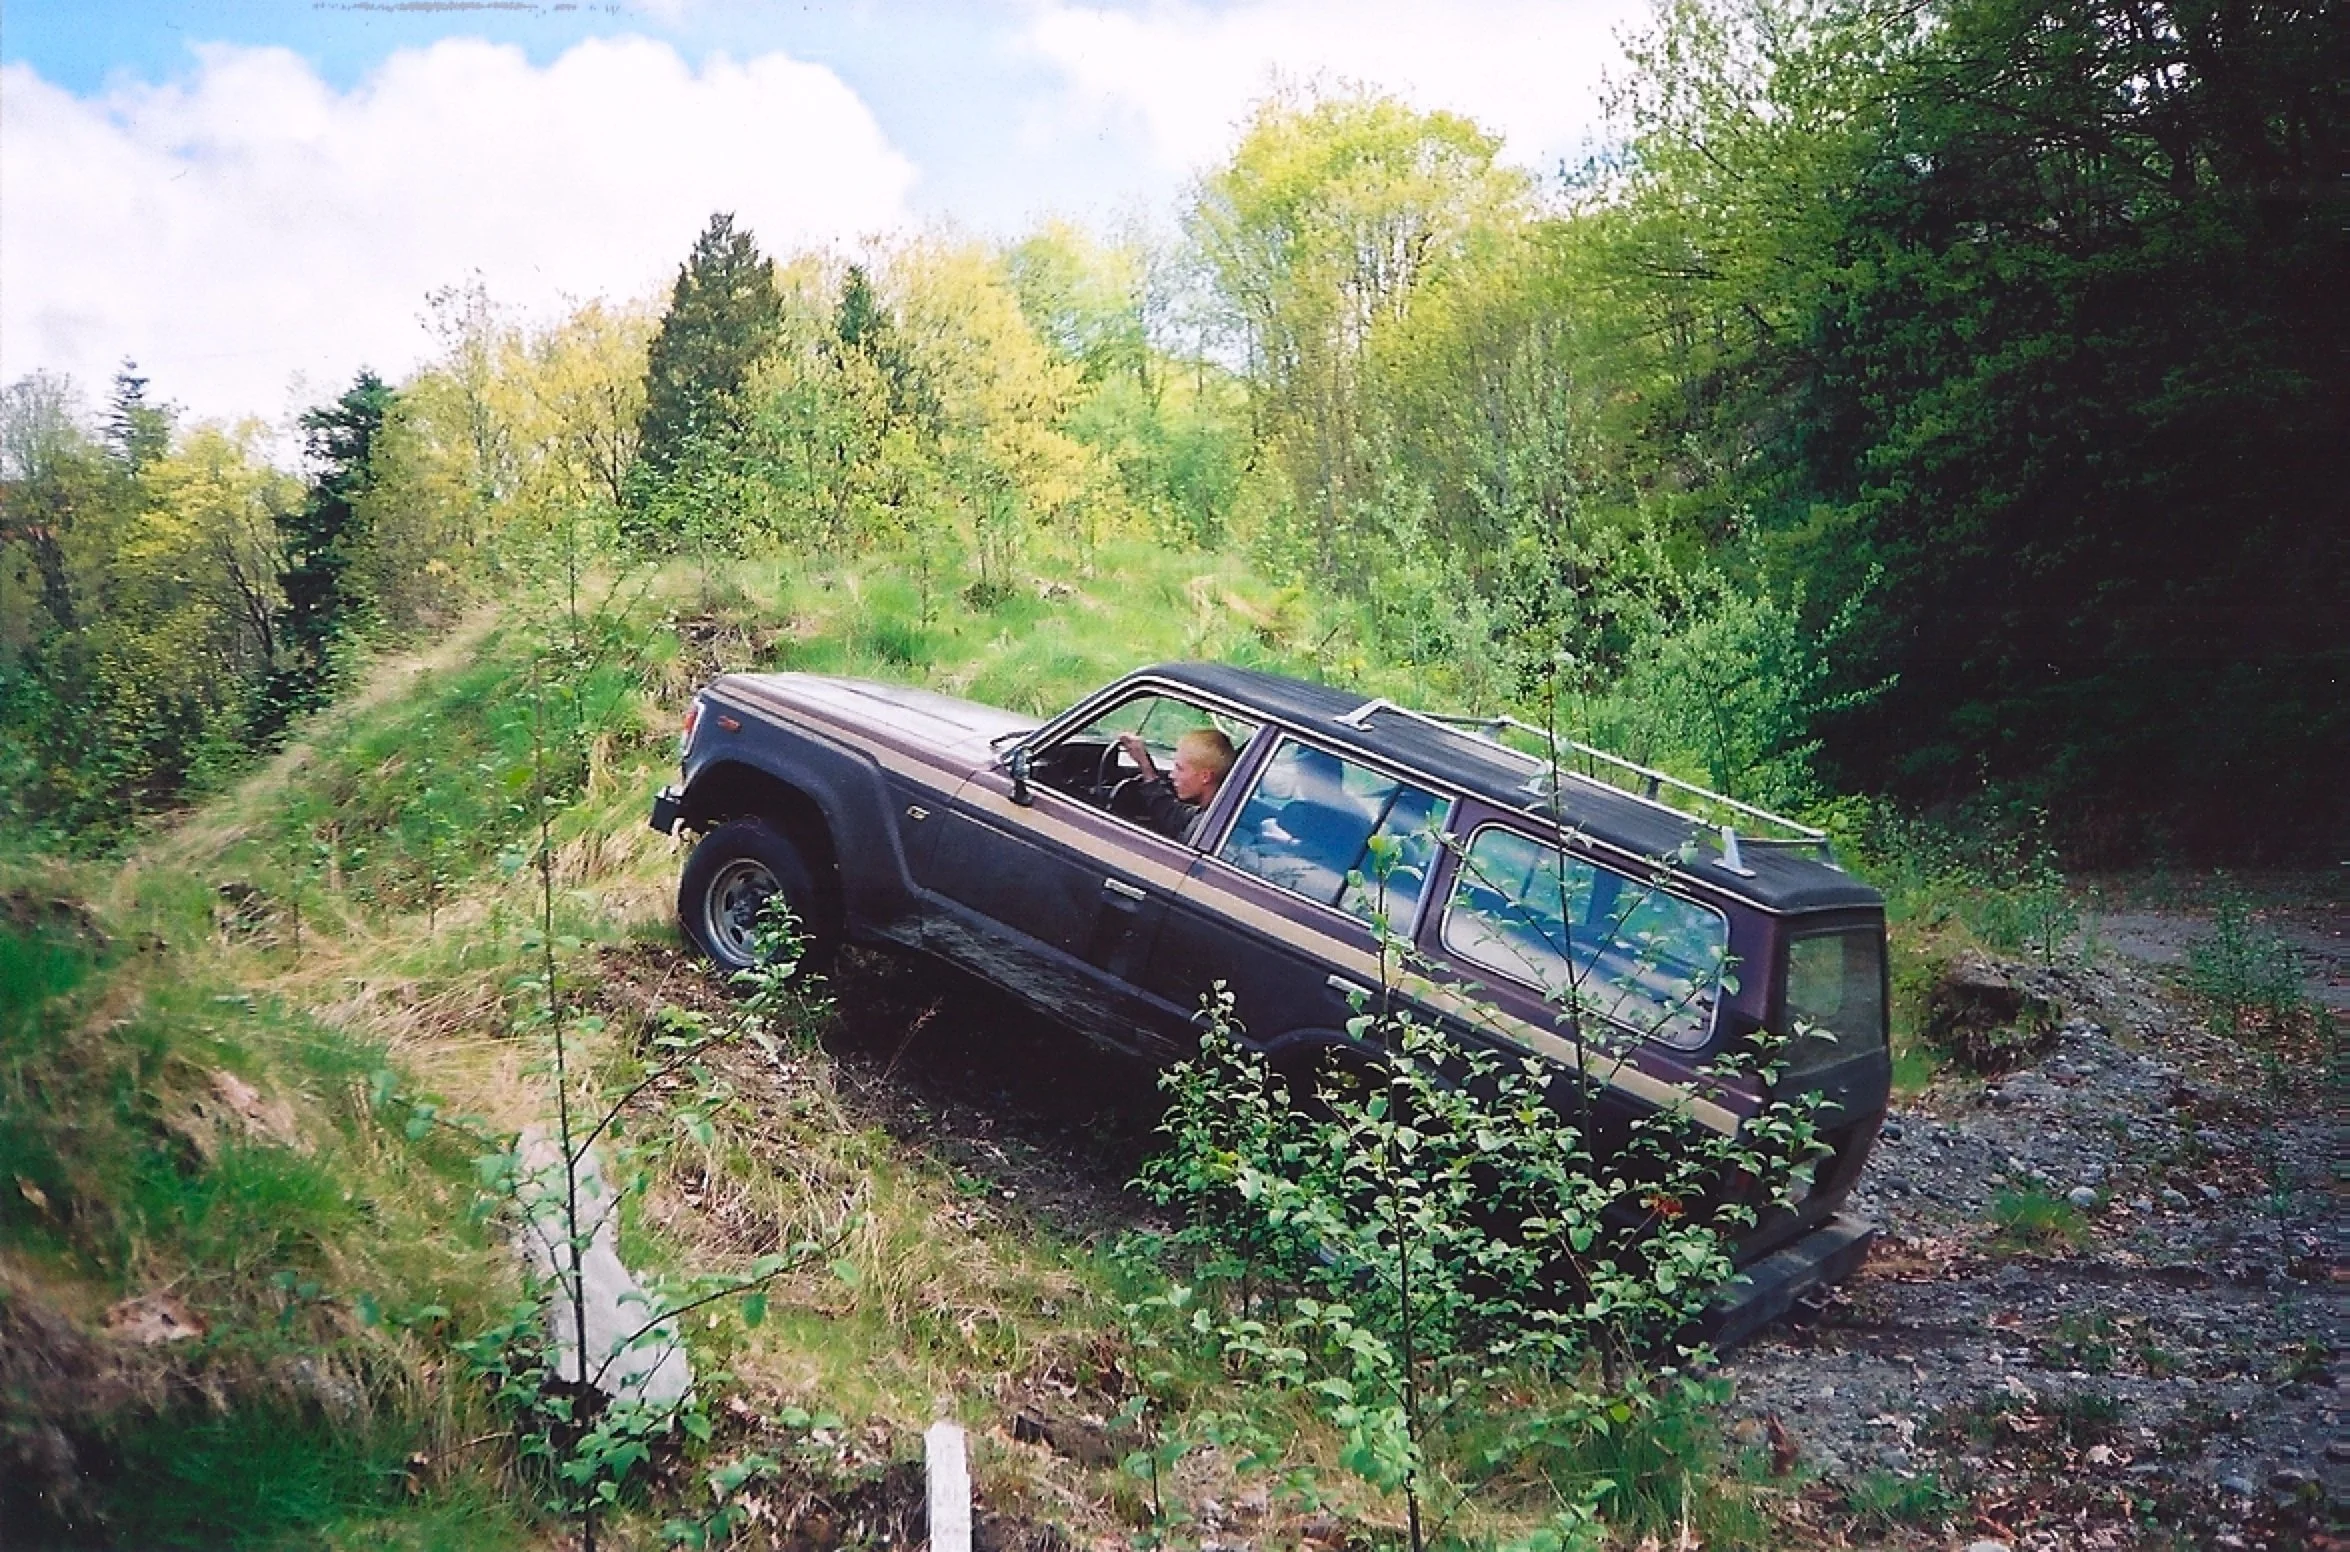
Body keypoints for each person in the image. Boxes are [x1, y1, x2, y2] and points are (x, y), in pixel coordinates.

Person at [1114, 727, 1234, 842]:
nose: (1172, 775)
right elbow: (1171, 813)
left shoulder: (1204, 831)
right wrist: (1144, 764)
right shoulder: (1212, 815)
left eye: (1179, 768)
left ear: (1205, 777)